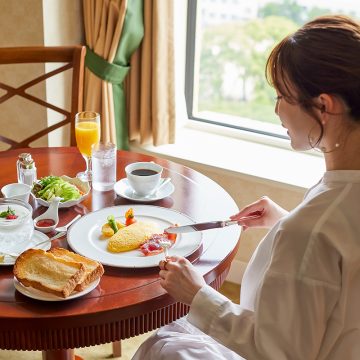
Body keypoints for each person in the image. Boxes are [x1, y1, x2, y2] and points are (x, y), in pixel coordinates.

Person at [132, 15, 360, 359]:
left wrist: (198, 295)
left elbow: (278, 352)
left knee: (165, 345)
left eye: (282, 96)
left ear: (324, 106)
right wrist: (284, 220)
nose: (276, 110)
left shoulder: (312, 229)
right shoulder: (336, 199)